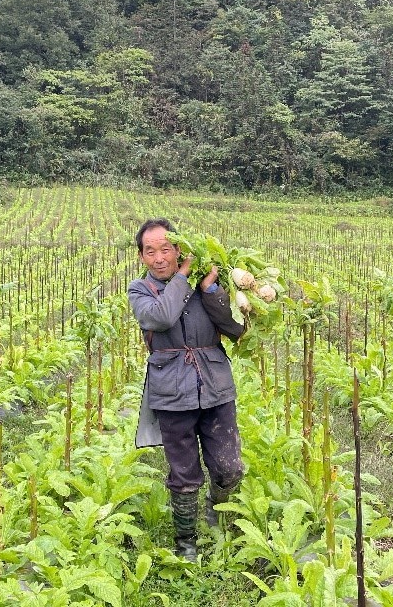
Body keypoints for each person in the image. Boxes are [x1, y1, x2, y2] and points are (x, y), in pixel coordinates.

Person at [128, 218, 245, 562]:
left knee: (229, 467)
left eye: (166, 249)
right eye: (151, 251)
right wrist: (183, 276)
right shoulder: (140, 291)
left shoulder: (201, 284)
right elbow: (161, 318)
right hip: (171, 391)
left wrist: (210, 290)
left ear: (179, 250)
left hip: (215, 385)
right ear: (142, 256)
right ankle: (186, 542)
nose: (159, 258)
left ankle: (215, 507)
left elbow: (235, 329)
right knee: (184, 473)